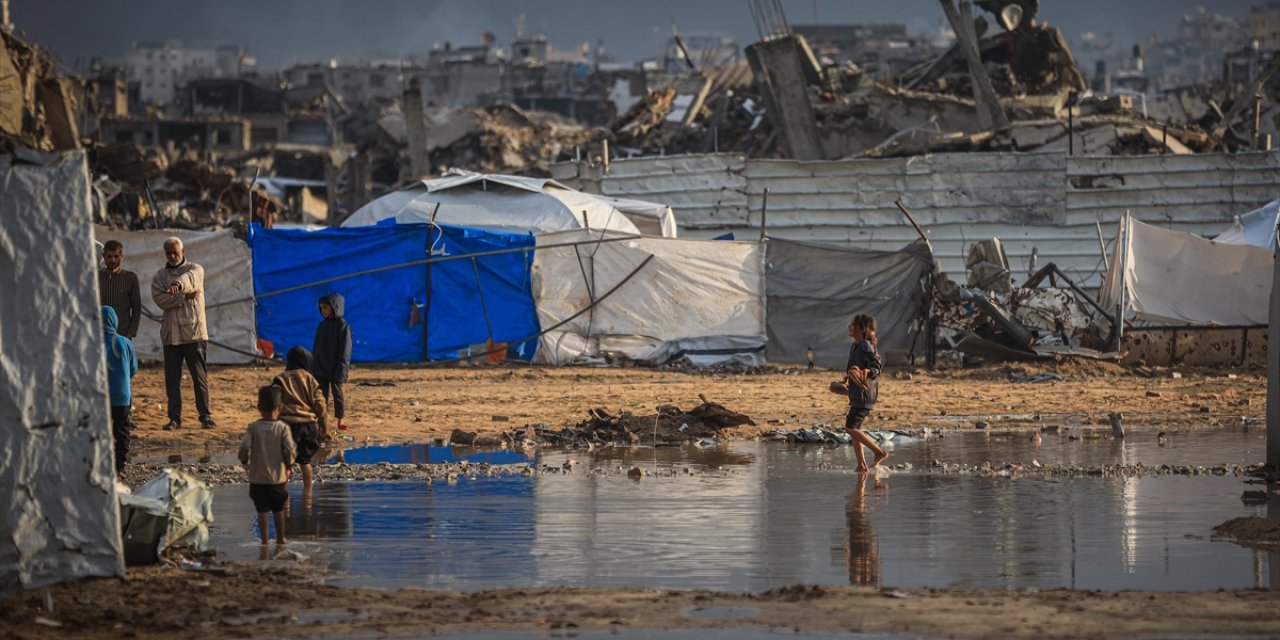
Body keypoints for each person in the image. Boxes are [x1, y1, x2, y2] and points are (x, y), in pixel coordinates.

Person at [151, 236, 215, 430]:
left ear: (182, 252)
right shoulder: (160, 276)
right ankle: (174, 418)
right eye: (169, 253)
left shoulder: (195, 269)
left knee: (199, 377)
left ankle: (205, 415)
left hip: (193, 333)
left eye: (175, 252)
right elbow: (160, 299)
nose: (172, 256)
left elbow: (191, 280)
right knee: (172, 379)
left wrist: (177, 287)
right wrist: (183, 297)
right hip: (171, 335)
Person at [238, 386, 296, 545]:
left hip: (258, 479)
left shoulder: (253, 428)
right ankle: (280, 539)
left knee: (262, 510)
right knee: (278, 509)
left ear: (258, 408)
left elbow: (244, 448)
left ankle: (264, 541)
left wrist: (244, 461)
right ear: (280, 408)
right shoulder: (283, 428)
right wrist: (289, 466)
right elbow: (290, 450)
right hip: (278, 478)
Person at [273, 345, 328, 493]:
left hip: (288, 426)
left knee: (287, 463)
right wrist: (323, 426)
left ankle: (284, 496)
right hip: (309, 426)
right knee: (305, 461)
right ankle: (308, 493)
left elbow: (274, 402)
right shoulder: (310, 379)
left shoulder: (280, 379)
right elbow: (320, 404)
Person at [843, 313, 888, 472]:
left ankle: (879, 452)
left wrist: (866, 372)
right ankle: (861, 465)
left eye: (853, 324)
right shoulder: (856, 345)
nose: (849, 327)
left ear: (862, 329)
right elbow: (854, 369)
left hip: (864, 395)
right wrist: (846, 379)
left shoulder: (865, 345)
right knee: (856, 430)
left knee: (850, 428)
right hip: (857, 395)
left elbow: (876, 366)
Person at [102, 306, 138, 474]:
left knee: (103, 429)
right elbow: (133, 368)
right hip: (122, 395)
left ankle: (103, 462)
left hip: (101, 396)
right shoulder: (125, 342)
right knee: (122, 429)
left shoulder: (94, 343)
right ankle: (121, 465)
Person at [312, 293, 352, 431]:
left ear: (335, 307)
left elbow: (345, 350)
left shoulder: (342, 326)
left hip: (336, 367)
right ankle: (322, 420)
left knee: (337, 394)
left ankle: (340, 419)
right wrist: (314, 366)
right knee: (321, 395)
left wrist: (342, 369)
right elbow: (316, 348)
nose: (323, 311)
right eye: (321, 308)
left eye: (326, 308)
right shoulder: (321, 326)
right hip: (321, 367)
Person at [99, 240, 142, 339]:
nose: (112, 260)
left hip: (122, 334)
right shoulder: (97, 277)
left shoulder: (130, 278)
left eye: (116, 256)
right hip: (101, 334)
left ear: (122, 257)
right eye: (109, 256)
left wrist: (130, 333)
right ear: (103, 256)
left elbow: (136, 308)